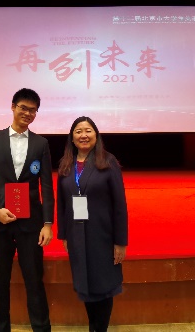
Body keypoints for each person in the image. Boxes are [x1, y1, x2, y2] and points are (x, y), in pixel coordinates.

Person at [0, 88, 54, 332]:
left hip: (31, 224)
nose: (27, 113)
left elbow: (46, 186)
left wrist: (48, 224)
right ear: (13, 107)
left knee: (35, 282)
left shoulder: (41, 144)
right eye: (23, 108)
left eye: (33, 110)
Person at [57, 116, 128, 332]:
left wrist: (120, 242)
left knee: (103, 285)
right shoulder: (66, 164)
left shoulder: (108, 161)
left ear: (96, 135)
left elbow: (119, 204)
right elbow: (62, 203)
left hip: (102, 235)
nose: (83, 135)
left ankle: (100, 329)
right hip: (77, 235)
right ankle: (93, 327)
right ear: (72, 137)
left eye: (88, 130)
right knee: (85, 284)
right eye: (78, 131)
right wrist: (64, 234)